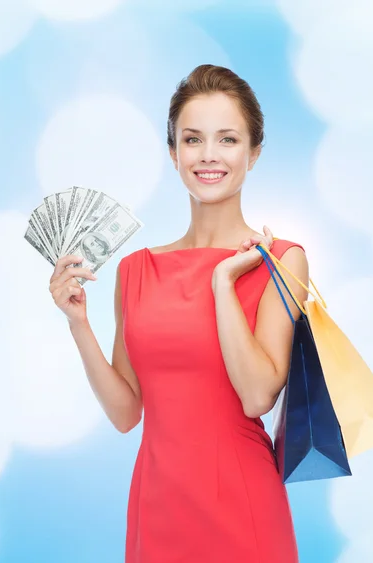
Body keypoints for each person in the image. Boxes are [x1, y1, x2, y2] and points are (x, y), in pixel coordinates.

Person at [48, 64, 308, 563]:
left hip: (243, 508)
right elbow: (127, 414)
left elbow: (257, 396)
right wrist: (78, 322)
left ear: (253, 153)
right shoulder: (136, 270)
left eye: (227, 139)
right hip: (157, 508)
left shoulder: (281, 260)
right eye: (192, 139)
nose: (209, 155)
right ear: (173, 153)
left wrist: (222, 282)